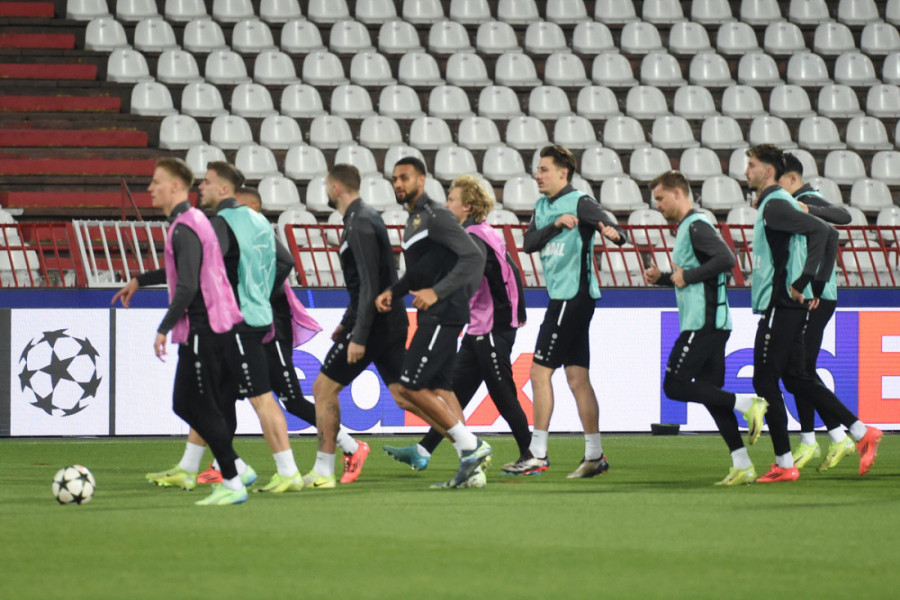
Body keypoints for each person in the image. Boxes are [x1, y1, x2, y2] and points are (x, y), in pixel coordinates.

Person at [195, 187, 371, 486]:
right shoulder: (243, 240)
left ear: (254, 207)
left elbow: (287, 261)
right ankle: (224, 463)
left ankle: (352, 447)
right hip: (248, 328)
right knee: (226, 394)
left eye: (240, 206)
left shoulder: (261, 234)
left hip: (272, 329)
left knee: (291, 399)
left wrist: (258, 291)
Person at [112, 157, 248, 505]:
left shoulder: (184, 227)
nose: (150, 188)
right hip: (214, 324)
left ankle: (234, 479)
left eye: (156, 182)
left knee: (196, 405)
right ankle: (234, 471)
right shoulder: (195, 221)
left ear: (175, 186)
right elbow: (188, 274)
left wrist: (164, 327)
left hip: (204, 326)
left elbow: (187, 285)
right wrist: (141, 280)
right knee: (189, 403)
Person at [745, 144, 882, 483]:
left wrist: (806, 281)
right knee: (797, 378)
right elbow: (830, 233)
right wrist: (815, 285)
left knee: (764, 380)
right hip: (789, 305)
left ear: (768, 171)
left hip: (781, 304)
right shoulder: (778, 203)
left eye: (751, 165)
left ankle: (784, 462)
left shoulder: (775, 204)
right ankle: (861, 432)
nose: (746, 171)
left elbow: (824, 231)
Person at [383, 174, 530, 482]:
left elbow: (470, 276)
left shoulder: (472, 237)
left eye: (452, 199)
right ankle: (424, 450)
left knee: (501, 392)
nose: (446, 204)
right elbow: (512, 272)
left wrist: (439, 295)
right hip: (482, 325)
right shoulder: (484, 232)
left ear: (468, 206)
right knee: (453, 392)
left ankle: (530, 454)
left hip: (491, 325)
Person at [642, 171, 768, 486]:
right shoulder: (689, 227)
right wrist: (664, 278)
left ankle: (748, 404)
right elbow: (696, 274)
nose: (658, 205)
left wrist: (688, 275)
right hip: (712, 322)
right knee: (712, 396)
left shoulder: (696, 226)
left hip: (703, 323)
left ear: (678, 193)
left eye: (660, 198)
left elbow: (726, 259)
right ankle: (742, 464)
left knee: (674, 385)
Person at [375, 157, 492, 489]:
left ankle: (471, 446)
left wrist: (437, 292)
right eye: (395, 178)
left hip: (443, 313)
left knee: (410, 386)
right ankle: (472, 470)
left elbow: (474, 256)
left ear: (422, 180)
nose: (399, 183)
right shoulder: (416, 220)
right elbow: (420, 271)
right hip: (437, 313)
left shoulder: (437, 216)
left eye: (405, 177)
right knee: (442, 390)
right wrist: (394, 292)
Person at [515, 145, 626, 478]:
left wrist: (613, 232)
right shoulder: (543, 206)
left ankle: (537, 453)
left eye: (544, 169)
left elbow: (612, 228)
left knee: (539, 374)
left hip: (570, 298)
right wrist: (556, 225)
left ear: (563, 173)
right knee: (578, 379)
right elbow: (529, 244)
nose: (538, 175)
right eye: (538, 169)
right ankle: (594, 455)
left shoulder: (580, 201)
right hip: (568, 298)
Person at [302, 164, 408, 488]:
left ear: (335, 188)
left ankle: (324, 469)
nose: (326, 191)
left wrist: (357, 335)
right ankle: (467, 443)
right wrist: (346, 323)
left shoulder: (359, 222)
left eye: (326, 186)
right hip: (385, 321)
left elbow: (369, 284)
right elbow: (364, 284)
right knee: (405, 396)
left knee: (323, 389)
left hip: (375, 325)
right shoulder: (361, 217)